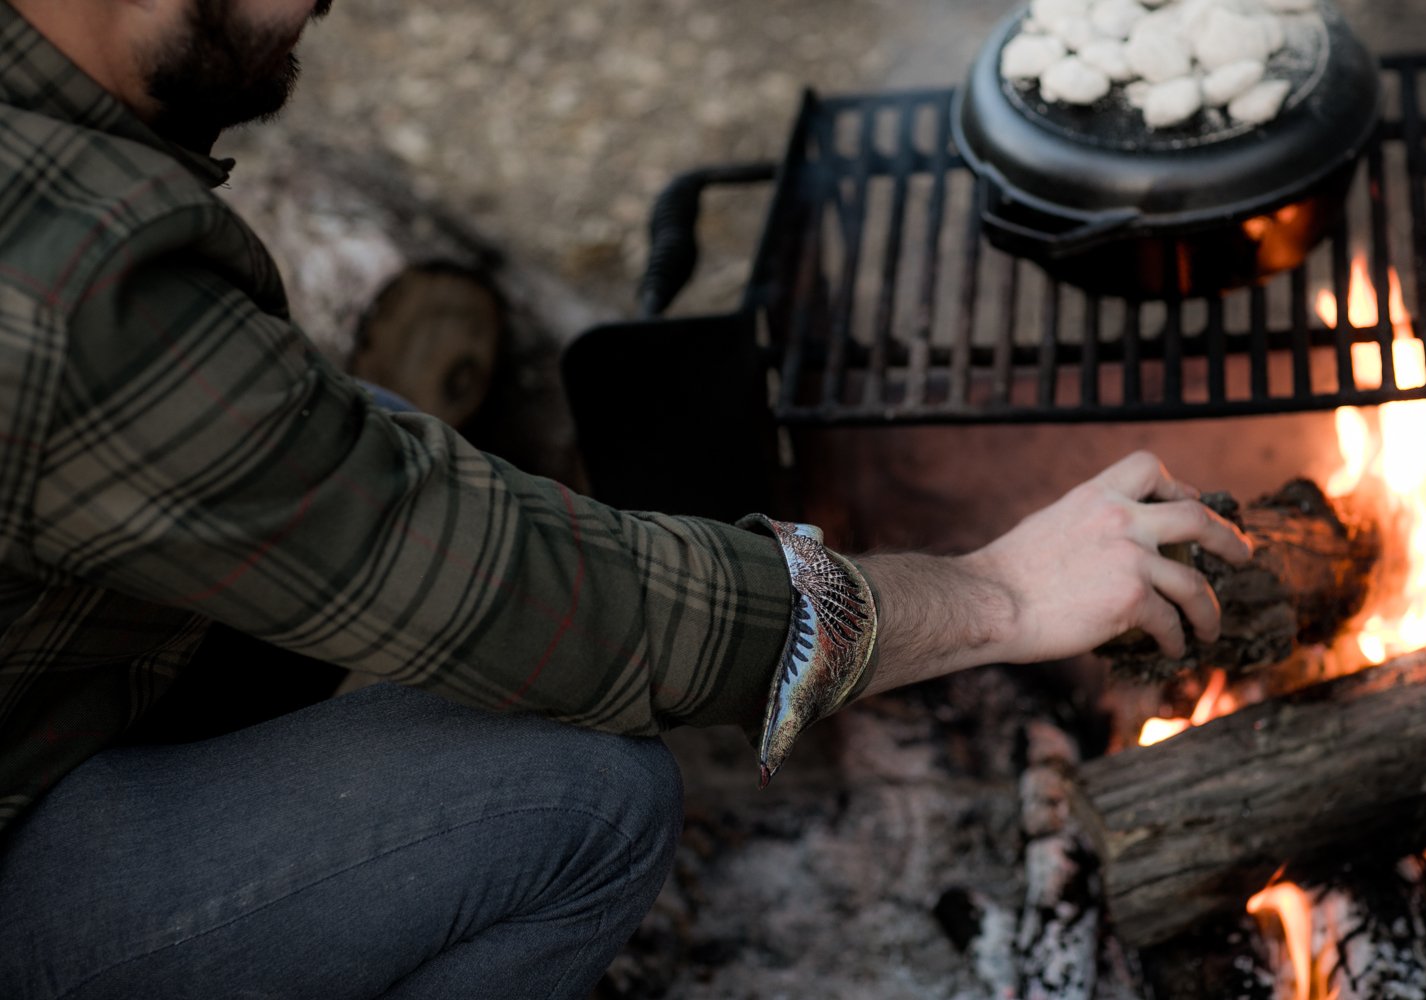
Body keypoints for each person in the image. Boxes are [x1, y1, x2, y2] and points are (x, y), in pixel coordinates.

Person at [0, 1, 1254, 997]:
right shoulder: (83, 287)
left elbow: (355, 491)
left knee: (371, 440)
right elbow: (546, 604)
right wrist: (992, 593)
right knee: (586, 801)